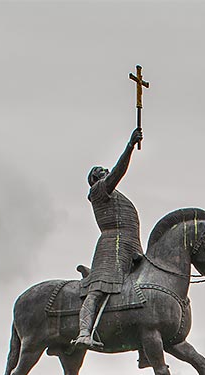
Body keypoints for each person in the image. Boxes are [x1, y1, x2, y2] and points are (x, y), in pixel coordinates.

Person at [73, 127, 145, 349]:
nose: (105, 171)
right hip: (111, 245)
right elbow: (118, 172)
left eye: (105, 170)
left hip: (130, 244)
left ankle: (144, 343)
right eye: (100, 171)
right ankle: (84, 332)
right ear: (95, 179)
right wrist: (129, 146)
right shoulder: (98, 191)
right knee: (99, 288)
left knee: (139, 288)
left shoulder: (115, 195)